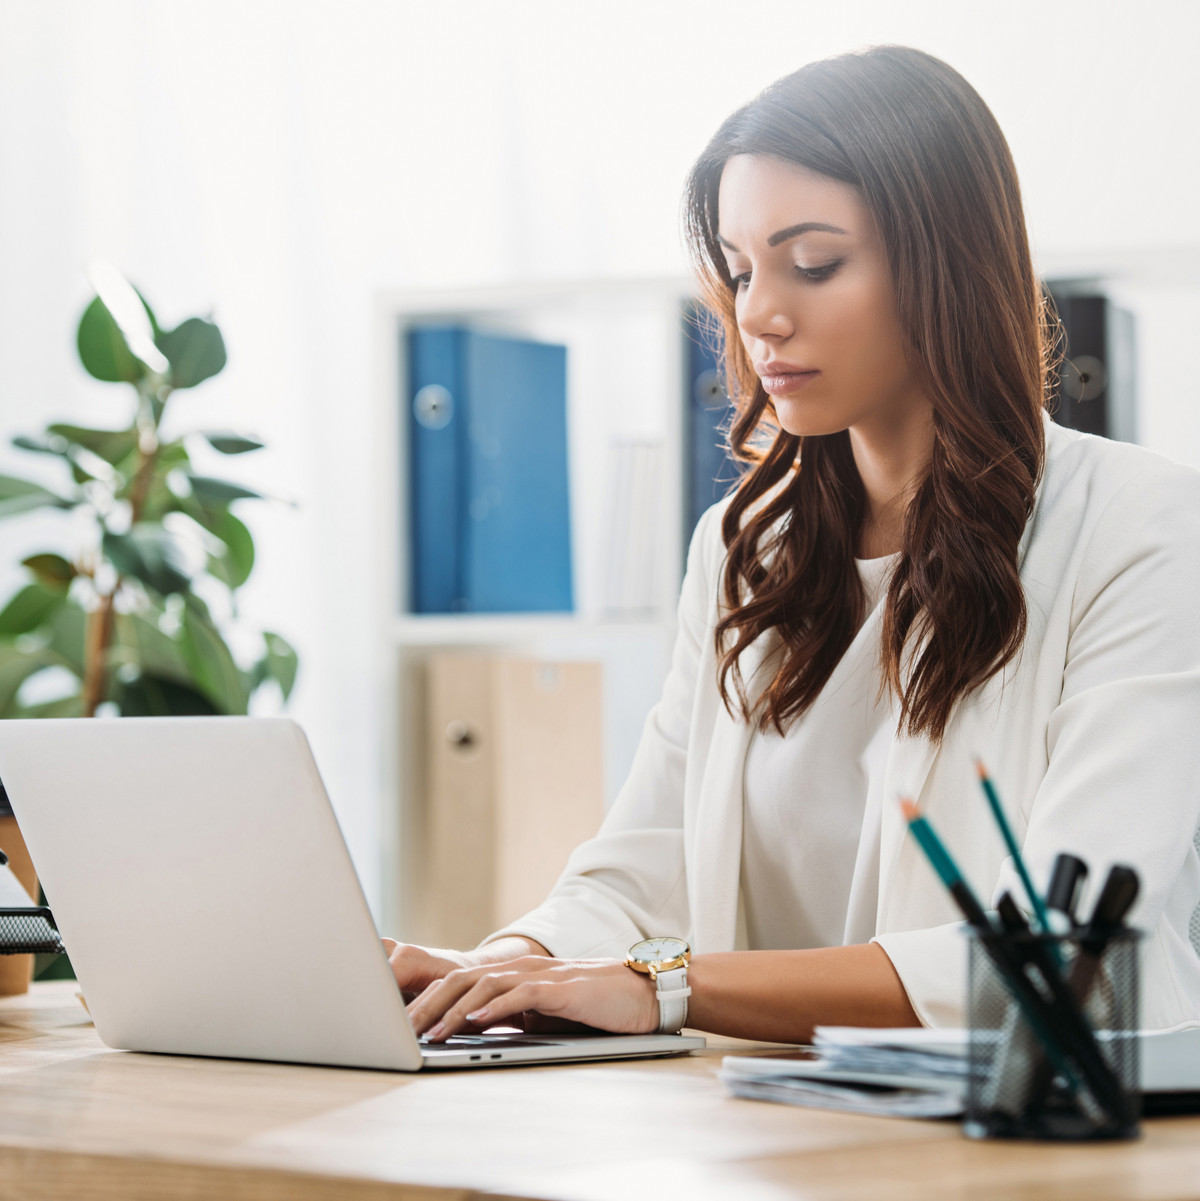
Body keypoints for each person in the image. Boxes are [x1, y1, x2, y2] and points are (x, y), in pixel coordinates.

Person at [385, 45, 1200, 1044]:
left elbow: (1064, 949)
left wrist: (666, 984)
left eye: (814, 262)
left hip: (1047, 1141)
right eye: (738, 270)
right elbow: (639, 874)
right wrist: (498, 969)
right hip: (784, 1137)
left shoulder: (1139, 526)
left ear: (946, 261)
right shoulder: (739, 551)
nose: (760, 312)